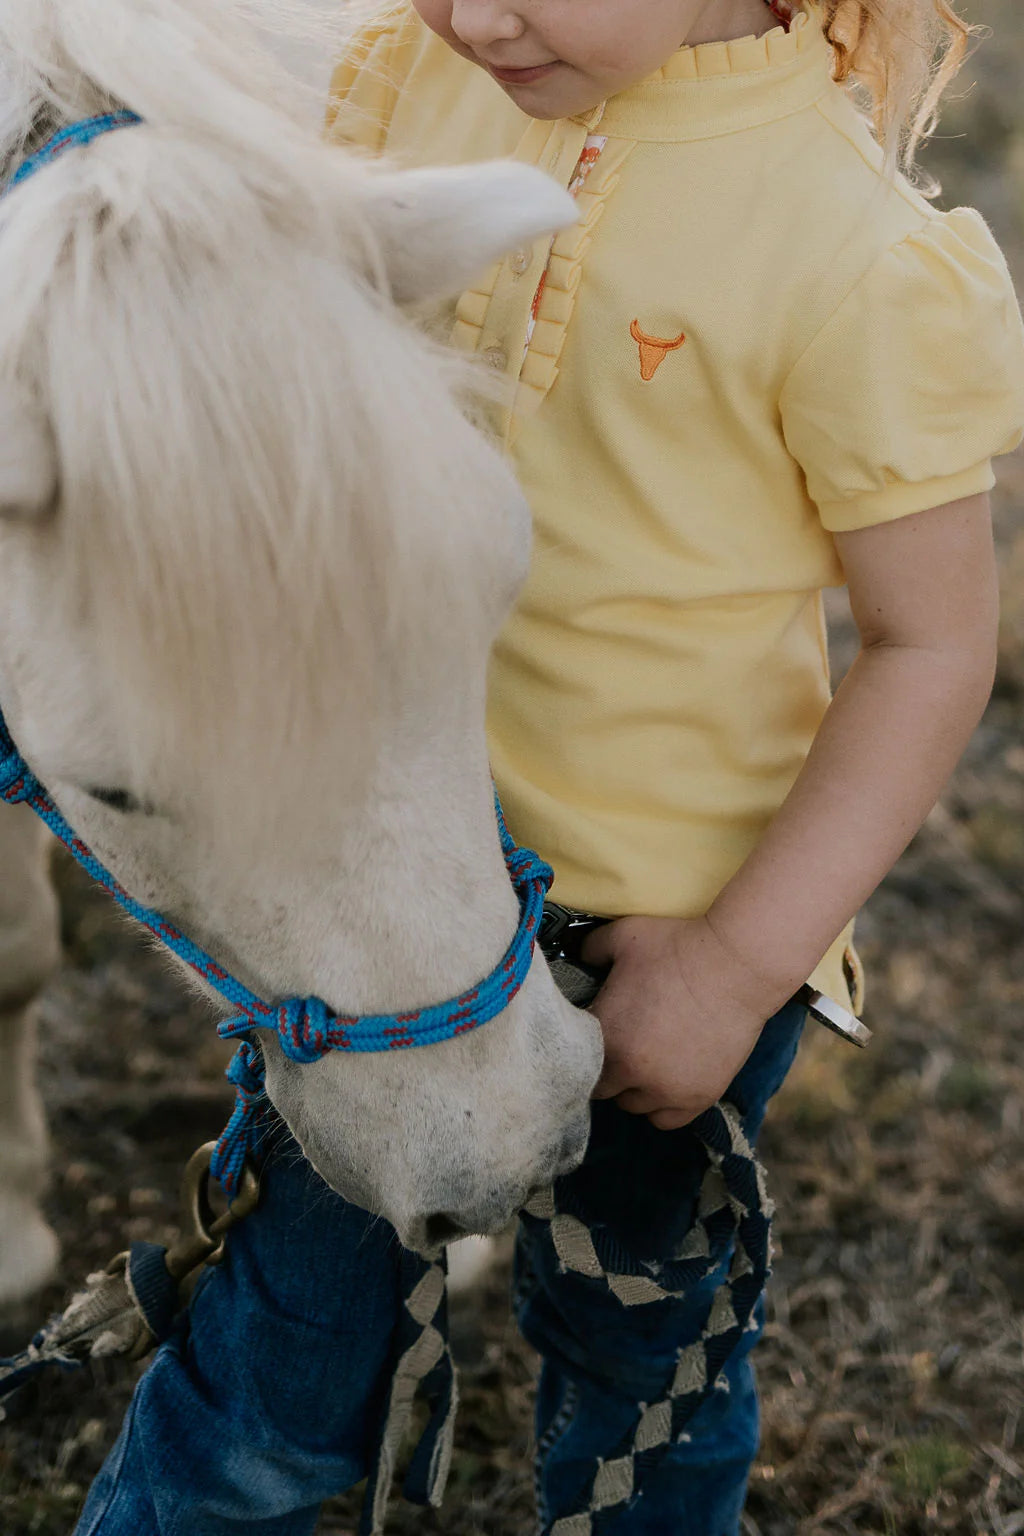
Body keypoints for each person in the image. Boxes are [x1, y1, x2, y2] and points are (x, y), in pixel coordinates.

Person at [75, 2, 1024, 1533]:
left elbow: (932, 651)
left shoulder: (851, 255)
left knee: (641, 1375)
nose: (478, 10)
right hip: (387, 934)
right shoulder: (406, 87)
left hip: (655, 951)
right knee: (269, 1362)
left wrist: (733, 963)